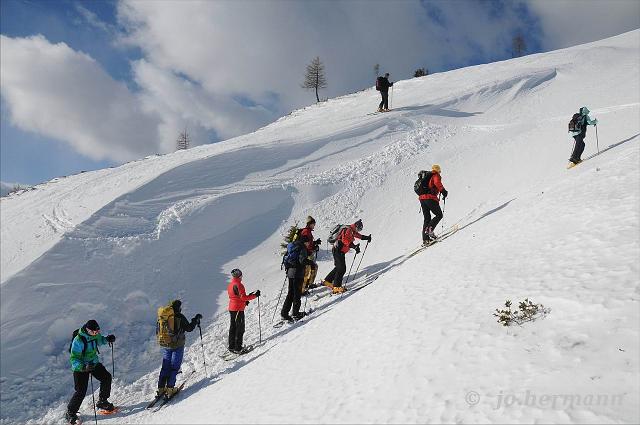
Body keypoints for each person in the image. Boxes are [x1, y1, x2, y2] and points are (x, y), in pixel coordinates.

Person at [65, 320, 116, 425]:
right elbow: (74, 359)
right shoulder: (78, 340)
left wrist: (107, 339)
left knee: (106, 377)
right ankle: (70, 412)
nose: (96, 334)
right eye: (94, 332)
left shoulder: (94, 334)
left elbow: (100, 340)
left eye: (97, 331)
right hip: (81, 368)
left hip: (93, 363)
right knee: (80, 391)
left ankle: (102, 401)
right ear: (88, 330)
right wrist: (83, 367)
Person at [156, 300, 201, 399]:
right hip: (177, 346)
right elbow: (189, 328)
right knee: (174, 367)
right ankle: (170, 389)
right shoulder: (180, 317)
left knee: (165, 366)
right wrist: (195, 319)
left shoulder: (165, 317)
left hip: (166, 345)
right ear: (178, 307)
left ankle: (161, 388)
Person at [322, 219, 371, 294]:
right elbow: (345, 241)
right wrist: (354, 246)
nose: (358, 231)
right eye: (359, 229)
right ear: (356, 226)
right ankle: (336, 287)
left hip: (339, 250)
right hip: (338, 250)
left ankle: (327, 280)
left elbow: (359, 236)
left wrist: (367, 238)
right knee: (342, 268)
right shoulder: (348, 230)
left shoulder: (352, 230)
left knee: (338, 267)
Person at [281, 227, 316, 322]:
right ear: (305, 242)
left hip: (290, 273)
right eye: (308, 242)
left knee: (290, 293)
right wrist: (310, 262)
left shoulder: (293, 246)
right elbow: (302, 260)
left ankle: (284, 313)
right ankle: (296, 314)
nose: (309, 243)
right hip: (298, 273)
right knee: (297, 294)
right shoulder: (302, 248)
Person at [227, 269, 260, 354]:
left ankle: (231, 346)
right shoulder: (239, 285)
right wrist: (254, 295)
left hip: (232, 308)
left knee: (233, 327)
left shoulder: (230, 284)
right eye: (241, 275)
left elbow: (235, 297)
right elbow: (243, 297)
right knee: (240, 328)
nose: (242, 277)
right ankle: (238, 348)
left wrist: (245, 302)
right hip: (238, 309)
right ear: (239, 276)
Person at [417, 165, 448, 243]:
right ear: (438, 170)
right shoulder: (435, 175)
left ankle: (425, 239)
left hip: (422, 199)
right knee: (439, 215)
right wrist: (443, 191)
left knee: (427, 218)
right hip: (430, 197)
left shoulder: (425, 177)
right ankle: (430, 229)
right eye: (439, 171)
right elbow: (437, 182)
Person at [298, 216, 322, 295]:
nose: (314, 225)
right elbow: (305, 244)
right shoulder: (306, 232)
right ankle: (301, 290)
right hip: (306, 255)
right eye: (313, 224)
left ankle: (309, 284)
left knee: (314, 268)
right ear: (310, 224)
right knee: (306, 272)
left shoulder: (308, 231)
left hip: (309, 254)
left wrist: (315, 243)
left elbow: (309, 243)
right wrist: (313, 247)